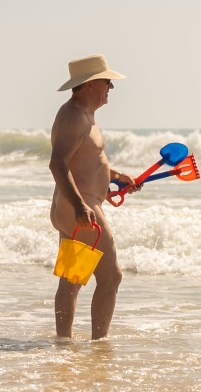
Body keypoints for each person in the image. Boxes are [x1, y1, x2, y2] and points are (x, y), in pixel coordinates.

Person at [48, 54, 138, 340]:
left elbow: (85, 161)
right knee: (112, 276)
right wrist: (79, 206)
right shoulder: (73, 116)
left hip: (73, 206)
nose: (111, 87)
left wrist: (115, 176)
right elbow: (58, 164)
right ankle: (100, 345)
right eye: (107, 81)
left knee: (72, 278)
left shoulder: (85, 115)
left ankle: (63, 342)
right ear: (89, 84)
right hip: (79, 206)